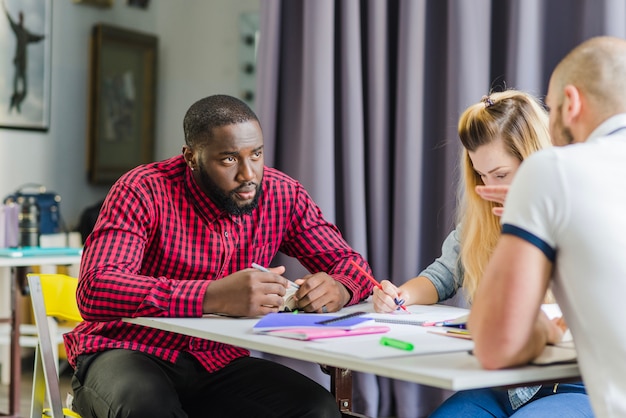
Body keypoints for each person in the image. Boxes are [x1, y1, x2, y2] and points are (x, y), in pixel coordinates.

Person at [64, 94, 374, 417]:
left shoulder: (283, 194)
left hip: (217, 362)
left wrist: (340, 287)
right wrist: (212, 295)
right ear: (191, 157)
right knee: (149, 409)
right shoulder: (142, 190)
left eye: (256, 154)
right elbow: (96, 288)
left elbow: (352, 266)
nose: (248, 174)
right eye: (228, 160)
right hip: (129, 349)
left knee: (318, 410)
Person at [372, 90, 592, 417]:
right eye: (480, 175)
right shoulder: (480, 224)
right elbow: (441, 276)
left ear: (535, 160)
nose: (487, 189)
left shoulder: (584, 215)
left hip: (576, 383)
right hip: (505, 383)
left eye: (500, 175)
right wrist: (402, 294)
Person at [469, 36, 626, 417]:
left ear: (570, 104)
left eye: (551, 110)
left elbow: (495, 344)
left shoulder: (553, 170)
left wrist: (541, 328)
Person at [2, 0, 45, 113]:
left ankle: (17, 102)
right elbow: (10, 21)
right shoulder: (17, 29)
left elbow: (34, 38)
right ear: (19, 18)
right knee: (15, 85)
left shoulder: (26, 33)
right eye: (19, 17)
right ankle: (14, 100)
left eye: (22, 17)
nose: (21, 18)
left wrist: (41, 37)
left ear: (23, 19)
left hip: (24, 65)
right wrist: (4, 8)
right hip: (18, 62)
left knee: (25, 91)